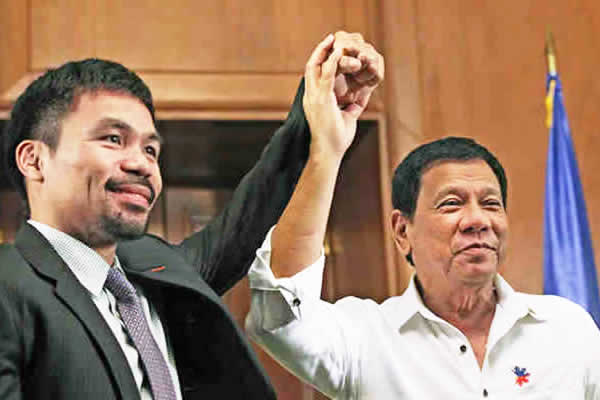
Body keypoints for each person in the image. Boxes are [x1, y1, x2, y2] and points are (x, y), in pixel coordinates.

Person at [0, 32, 384, 399]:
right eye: (113, 139)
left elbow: (250, 214)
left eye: (151, 150)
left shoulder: (155, 271)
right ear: (34, 160)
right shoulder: (8, 284)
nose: (141, 164)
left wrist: (317, 114)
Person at [246, 135, 600, 399]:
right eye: (451, 204)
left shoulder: (568, 328)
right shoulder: (364, 338)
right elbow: (280, 314)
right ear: (403, 231)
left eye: (491, 204)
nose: (478, 219)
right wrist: (325, 152)